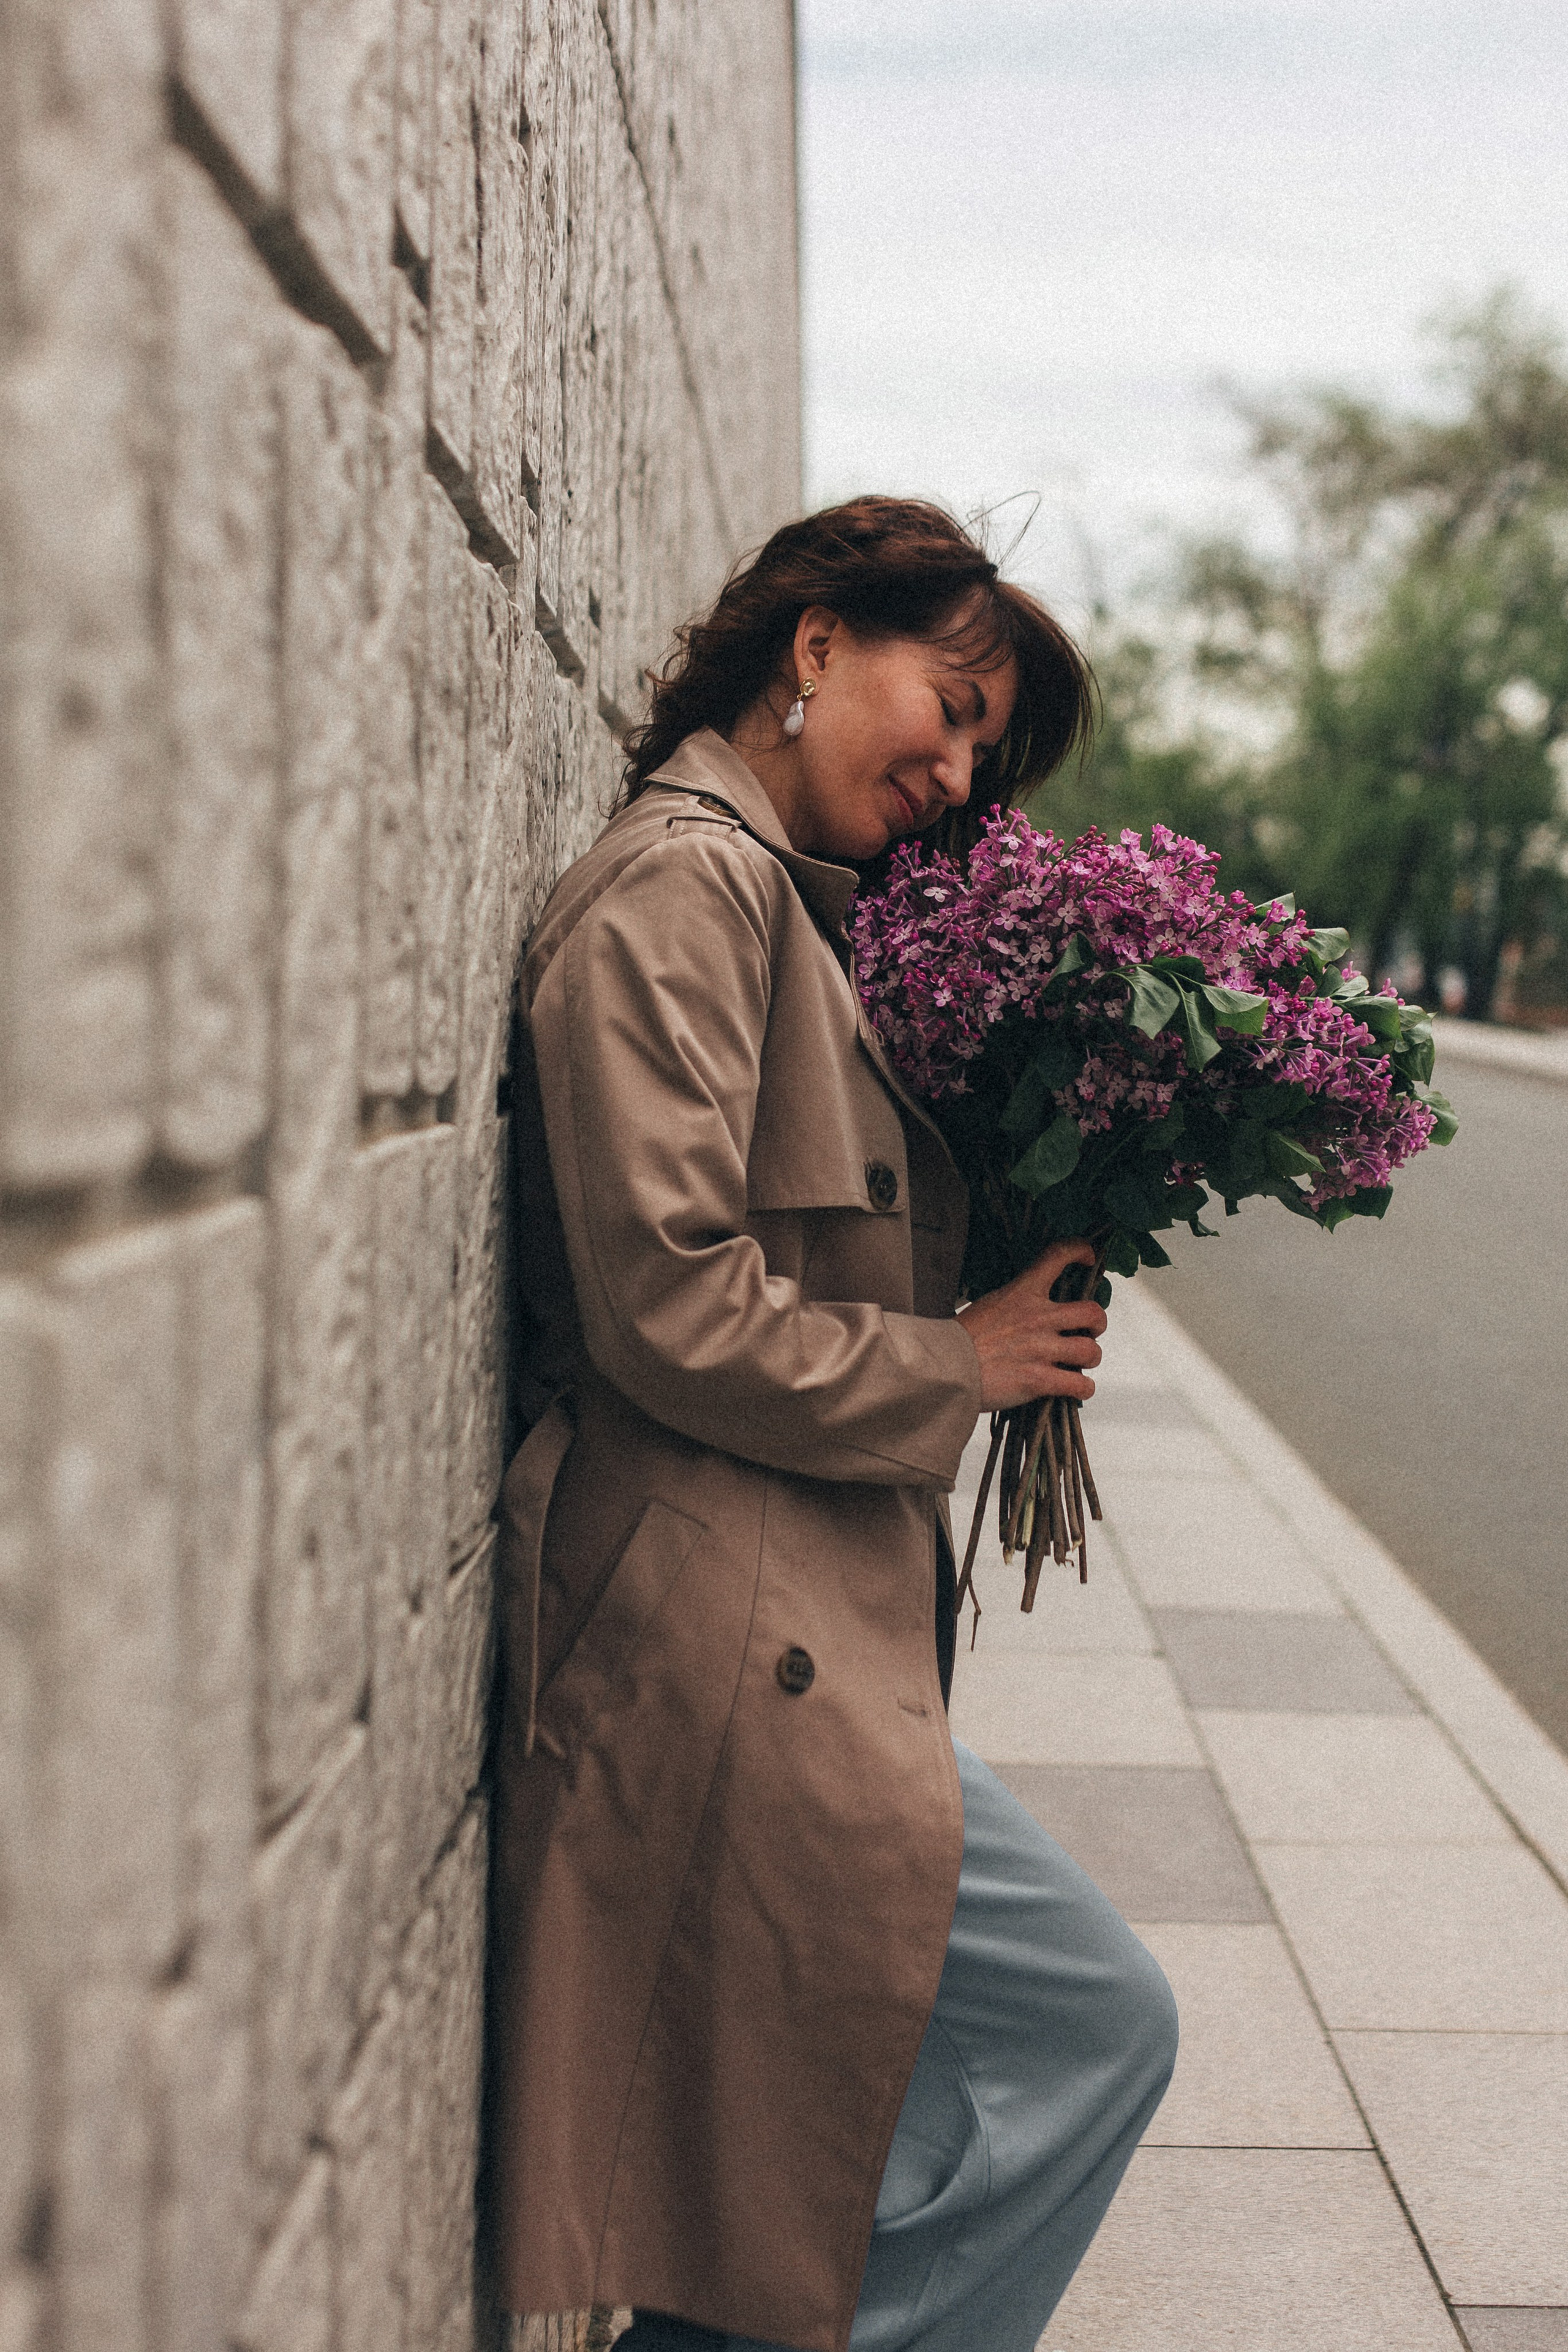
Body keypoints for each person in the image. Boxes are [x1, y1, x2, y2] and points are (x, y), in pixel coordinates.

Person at [486, 498, 1178, 2352]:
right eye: (945, 709)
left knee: (776, 2178)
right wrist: (963, 1360)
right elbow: (668, 1304)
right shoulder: (678, 889)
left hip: (793, 1618)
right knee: (1092, 2028)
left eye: (983, 752)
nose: (958, 773)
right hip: (716, 1639)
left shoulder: (785, 905)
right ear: (812, 649)